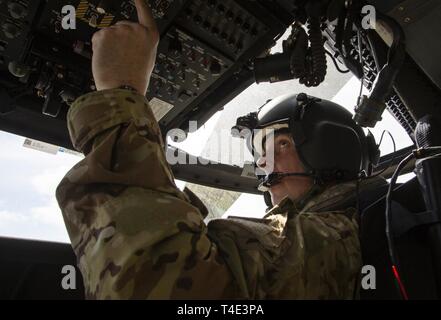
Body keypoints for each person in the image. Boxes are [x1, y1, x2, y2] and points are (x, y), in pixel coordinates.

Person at [56, 0, 385, 299]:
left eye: (268, 145)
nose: (259, 163)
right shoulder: (342, 234)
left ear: (324, 147)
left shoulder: (330, 238)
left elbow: (153, 280)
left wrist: (120, 89)